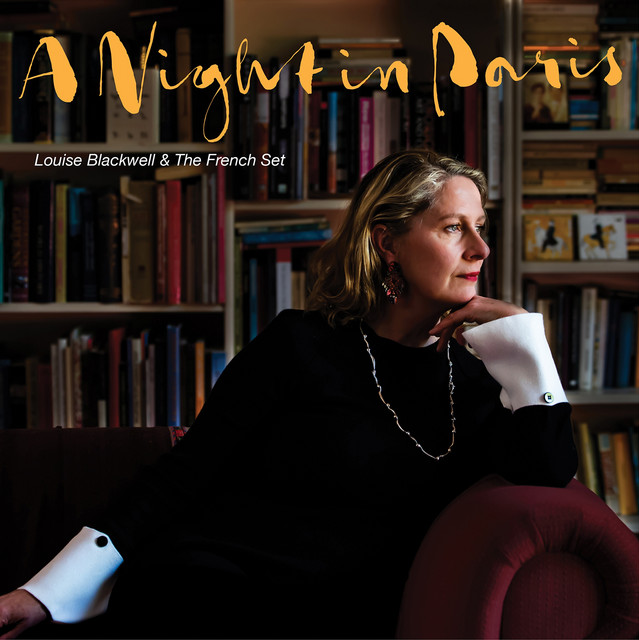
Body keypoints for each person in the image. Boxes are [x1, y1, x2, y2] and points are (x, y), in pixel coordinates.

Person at [0, 150, 577, 639]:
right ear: (388, 242)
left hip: (346, 615)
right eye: (453, 228)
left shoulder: (478, 379)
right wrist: (43, 593)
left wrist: (527, 345)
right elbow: (181, 476)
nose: (480, 248)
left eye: (480, 226)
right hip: (212, 591)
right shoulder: (300, 344)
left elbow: (548, 476)